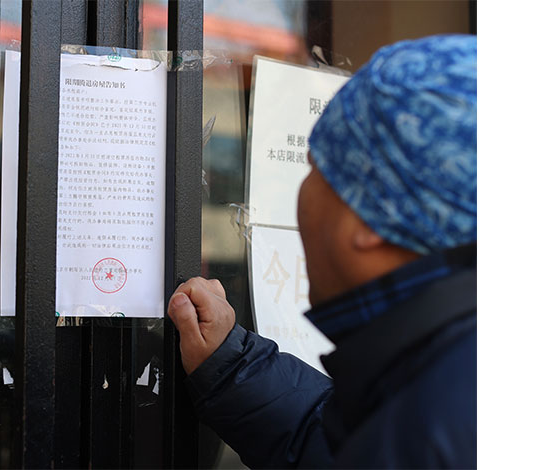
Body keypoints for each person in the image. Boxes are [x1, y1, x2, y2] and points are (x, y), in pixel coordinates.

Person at [167, 34, 476, 468]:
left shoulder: (433, 431)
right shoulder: (446, 394)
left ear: (368, 216)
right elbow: (336, 448)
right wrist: (232, 365)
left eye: (315, 167)